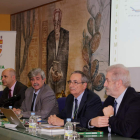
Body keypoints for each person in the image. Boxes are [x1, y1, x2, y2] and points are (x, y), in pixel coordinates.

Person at [89, 64, 140, 139]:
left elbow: (127, 131)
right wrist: (92, 122)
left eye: (107, 80)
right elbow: (101, 126)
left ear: (118, 83)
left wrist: (110, 117)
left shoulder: (136, 100)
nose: (104, 84)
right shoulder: (110, 99)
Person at [46, 9, 69, 94]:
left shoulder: (66, 35)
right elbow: (48, 59)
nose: (56, 26)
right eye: (55, 23)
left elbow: (68, 58)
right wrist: (51, 71)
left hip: (63, 77)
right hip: (52, 77)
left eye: (58, 23)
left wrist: (61, 73)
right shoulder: (50, 37)